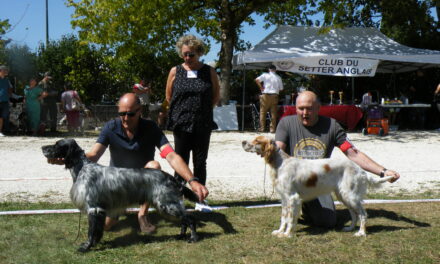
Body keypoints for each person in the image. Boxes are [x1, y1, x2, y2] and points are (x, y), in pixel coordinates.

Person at [48, 93, 208, 233]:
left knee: (154, 167)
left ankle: (142, 215)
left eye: (130, 114)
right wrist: (67, 159)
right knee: (105, 227)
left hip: (142, 179)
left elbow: (171, 156)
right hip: (117, 184)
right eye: (121, 113)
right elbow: (94, 154)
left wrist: (192, 181)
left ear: (140, 111)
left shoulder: (151, 127)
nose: (125, 118)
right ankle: (117, 211)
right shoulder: (111, 127)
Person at [275, 91, 400, 228]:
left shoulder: (332, 126)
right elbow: (278, 151)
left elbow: (353, 154)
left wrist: (383, 171)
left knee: (326, 222)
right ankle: (302, 206)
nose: (305, 113)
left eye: (309, 108)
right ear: (295, 108)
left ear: (318, 108)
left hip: (318, 182)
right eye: (301, 108)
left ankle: (307, 207)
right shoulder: (285, 123)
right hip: (295, 181)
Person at [165, 34, 220, 210]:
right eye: (184, 54)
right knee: (180, 160)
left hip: (202, 123)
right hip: (181, 123)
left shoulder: (209, 71)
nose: (187, 58)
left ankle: (200, 199)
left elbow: (216, 95)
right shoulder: (175, 71)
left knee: (200, 161)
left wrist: (203, 111)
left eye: (191, 54)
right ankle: (177, 198)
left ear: (199, 53)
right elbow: (169, 96)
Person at [255, 64, 284, 133]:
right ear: (275, 70)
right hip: (275, 95)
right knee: (273, 113)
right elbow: (281, 89)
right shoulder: (278, 77)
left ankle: (262, 128)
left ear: (269, 69)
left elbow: (257, 80)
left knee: (263, 112)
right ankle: (272, 129)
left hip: (266, 95)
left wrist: (261, 87)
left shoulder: (265, 75)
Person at [0, 65, 13, 136]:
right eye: (4, 70)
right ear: (1, 71)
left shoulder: (7, 80)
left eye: (6, 70)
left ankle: (0, 132)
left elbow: (10, 88)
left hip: (5, 101)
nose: (6, 71)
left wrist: (9, 94)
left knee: (2, 117)